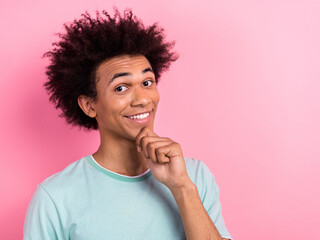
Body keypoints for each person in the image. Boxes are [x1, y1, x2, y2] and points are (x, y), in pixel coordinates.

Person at [23, 9, 232, 240]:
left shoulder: (194, 176)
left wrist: (182, 187)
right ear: (89, 105)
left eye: (147, 82)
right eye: (121, 87)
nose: (142, 99)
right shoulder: (55, 198)